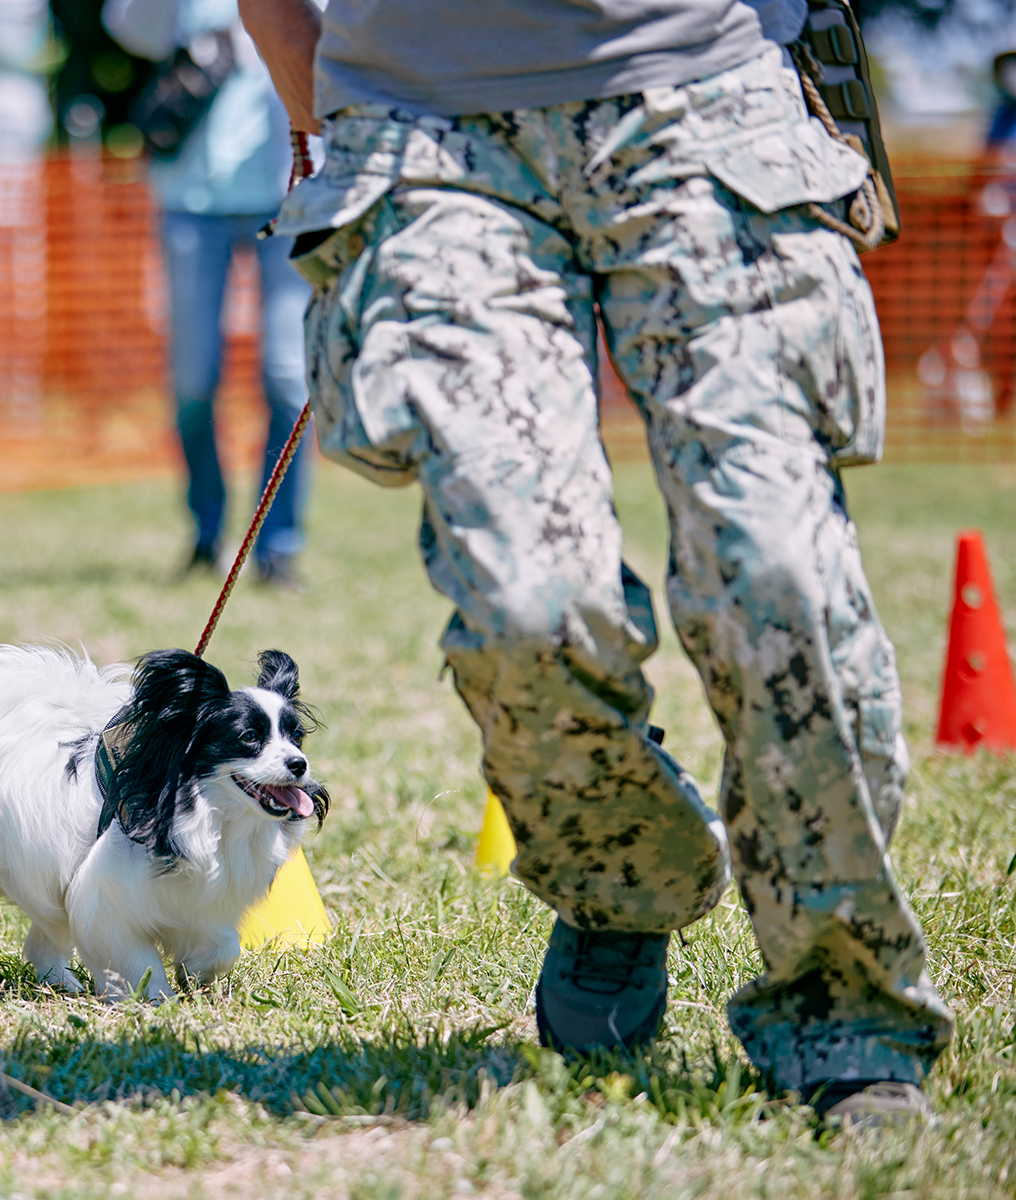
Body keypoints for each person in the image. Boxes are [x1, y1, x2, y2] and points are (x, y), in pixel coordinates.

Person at [241, 0, 954, 1125]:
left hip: (706, 103)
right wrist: (323, 97)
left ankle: (847, 1012)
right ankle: (622, 878)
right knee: (527, 610)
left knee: (781, 581)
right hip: (428, 133)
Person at [104, 0, 313, 588]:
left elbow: (334, 44)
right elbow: (131, 33)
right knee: (193, 381)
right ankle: (206, 533)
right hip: (189, 203)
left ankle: (278, 548)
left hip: (287, 199)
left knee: (286, 379)